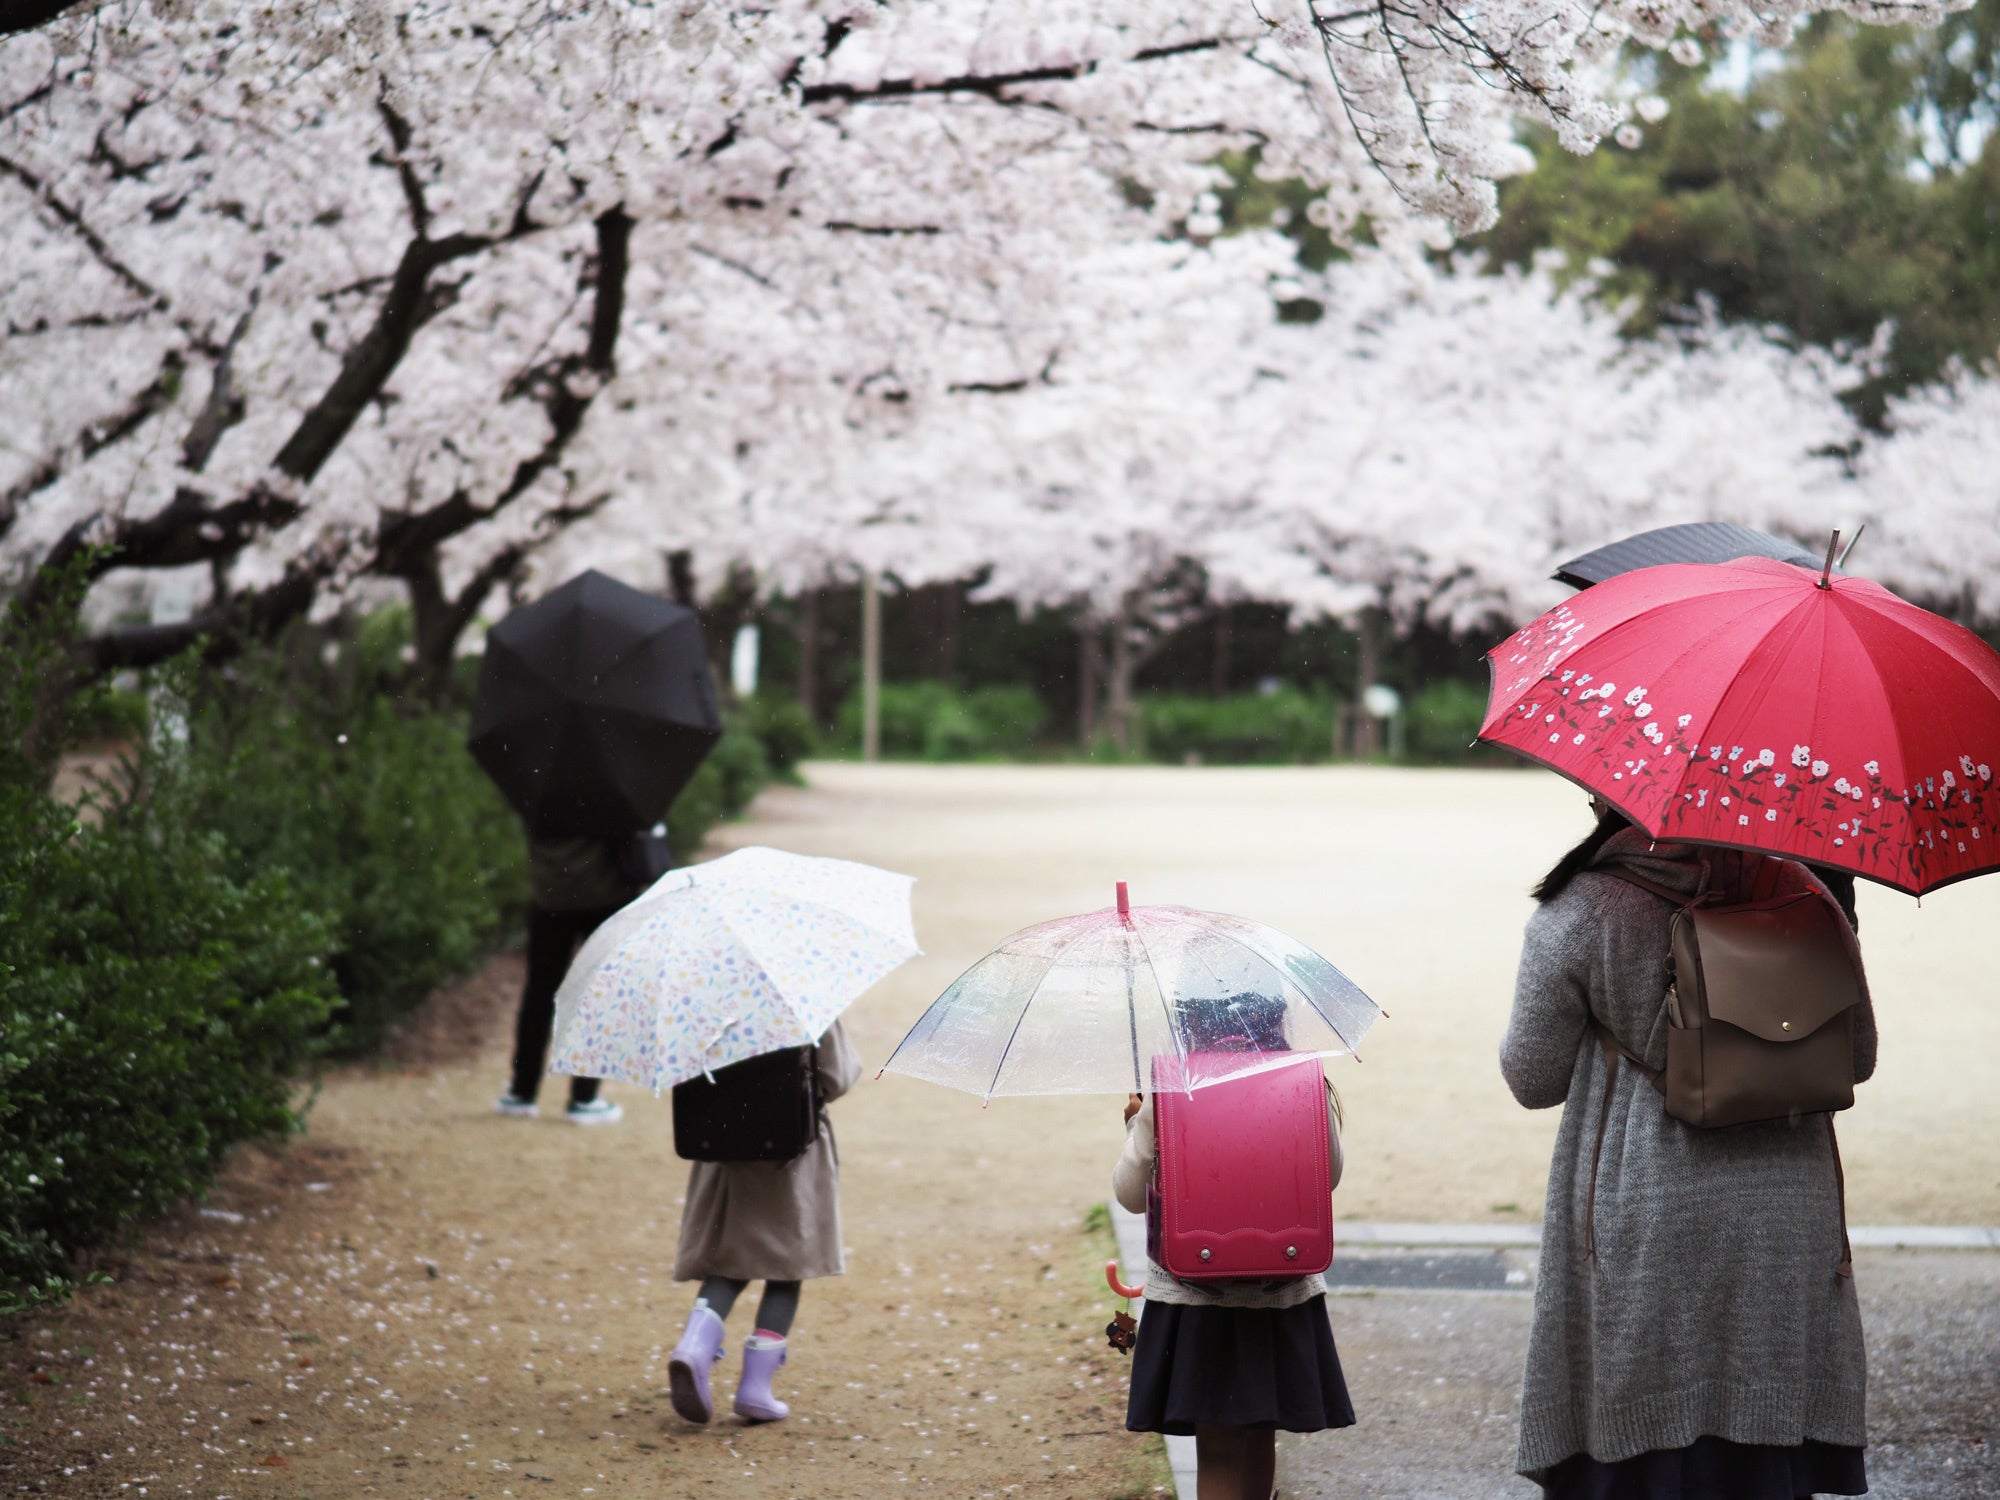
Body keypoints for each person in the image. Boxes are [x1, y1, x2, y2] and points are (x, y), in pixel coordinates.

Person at [1501, 801, 1877, 1499]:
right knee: (1766, 1445)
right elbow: (1857, 1058)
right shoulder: (1805, 890)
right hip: (1787, 1215)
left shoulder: (1582, 907)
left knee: (1641, 1441)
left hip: (1645, 1202)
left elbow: (1533, 1078)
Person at [1112, 993, 1355, 1500]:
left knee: (1218, 1449)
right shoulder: (1303, 1079)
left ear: (1188, 1025)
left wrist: (1138, 1125)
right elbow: (1327, 1176)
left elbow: (1131, 1196)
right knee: (1259, 1433)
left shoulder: (1171, 1088)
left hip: (1197, 1297)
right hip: (1279, 1290)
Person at [666, 1021, 861, 1425]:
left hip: (724, 1146)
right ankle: (755, 1389)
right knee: (786, 1269)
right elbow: (837, 1077)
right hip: (789, 1150)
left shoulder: (704, 1004)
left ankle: (694, 1345)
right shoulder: (806, 1004)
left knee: (729, 1262)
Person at [495, 832, 656, 1123]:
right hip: (606, 894)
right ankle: (584, 1097)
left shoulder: (540, 802)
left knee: (539, 992)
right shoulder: (609, 801)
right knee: (600, 992)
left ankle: (521, 1091)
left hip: (551, 895)